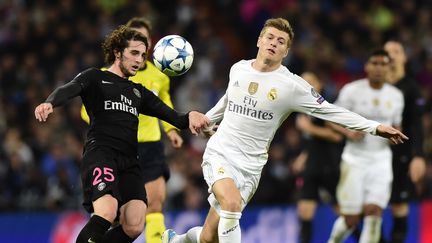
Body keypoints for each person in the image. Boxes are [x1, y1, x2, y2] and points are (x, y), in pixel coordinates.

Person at [161, 18, 408, 243]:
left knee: (208, 238)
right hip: (220, 153)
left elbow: (332, 111)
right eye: (269, 37)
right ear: (259, 40)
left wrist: (375, 127)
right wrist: (208, 118)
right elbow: (229, 100)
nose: (273, 43)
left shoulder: (292, 86)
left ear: (286, 51)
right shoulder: (238, 69)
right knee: (232, 204)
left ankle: (177, 241)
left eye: (281, 41)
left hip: (251, 168)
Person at [34, 25, 209, 243]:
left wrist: (191, 115)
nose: (139, 60)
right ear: (118, 52)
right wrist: (50, 103)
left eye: (143, 55)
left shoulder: (138, 92)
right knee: (107, 212)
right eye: (134, 53)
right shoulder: (95, 77)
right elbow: (69, 88)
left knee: (135, 224)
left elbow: (173, 116)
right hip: (102, 154)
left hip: (130, 161)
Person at [80, 17, 182, 243]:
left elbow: (164, 103)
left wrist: (172, 130)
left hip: (150, 145)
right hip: (118, 147)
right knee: (115, 214)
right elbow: (85, 110)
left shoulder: (159, 75)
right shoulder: (109, 75)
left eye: (143, 40)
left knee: (154, 204)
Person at [327, 49, 404, 243]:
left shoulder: (395, 96)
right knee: (351, 219)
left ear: (388, 68)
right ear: (367, 66)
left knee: (374, 211)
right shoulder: (351, 91)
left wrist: (394, 135)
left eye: (383, 64)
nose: (378, 68)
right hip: (354, 160)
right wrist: (347, 132)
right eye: (374, 63)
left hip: (381, 160)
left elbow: (397, 125)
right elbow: (330, 118)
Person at [383, 40, 426, 243]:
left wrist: (418, 156)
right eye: (387, 51)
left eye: (396, 51)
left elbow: (417, 125)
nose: (391, 55)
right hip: (373, 155)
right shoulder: (373, 87)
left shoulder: (411, 88)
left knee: (399, 205)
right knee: (368, 207)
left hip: (401, 155)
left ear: (404, 58)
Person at [293, 72, 344, 243]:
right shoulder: (300, 107)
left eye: (311, 81)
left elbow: (337, 136)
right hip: (311, 167)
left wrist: (309, 128)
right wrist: (304, 155)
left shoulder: (325, 106)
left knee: (345, 214)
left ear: (319, 85)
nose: (306, 84)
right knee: (305, 211)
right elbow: (310, 140)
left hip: (329, 165)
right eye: (303, 81)